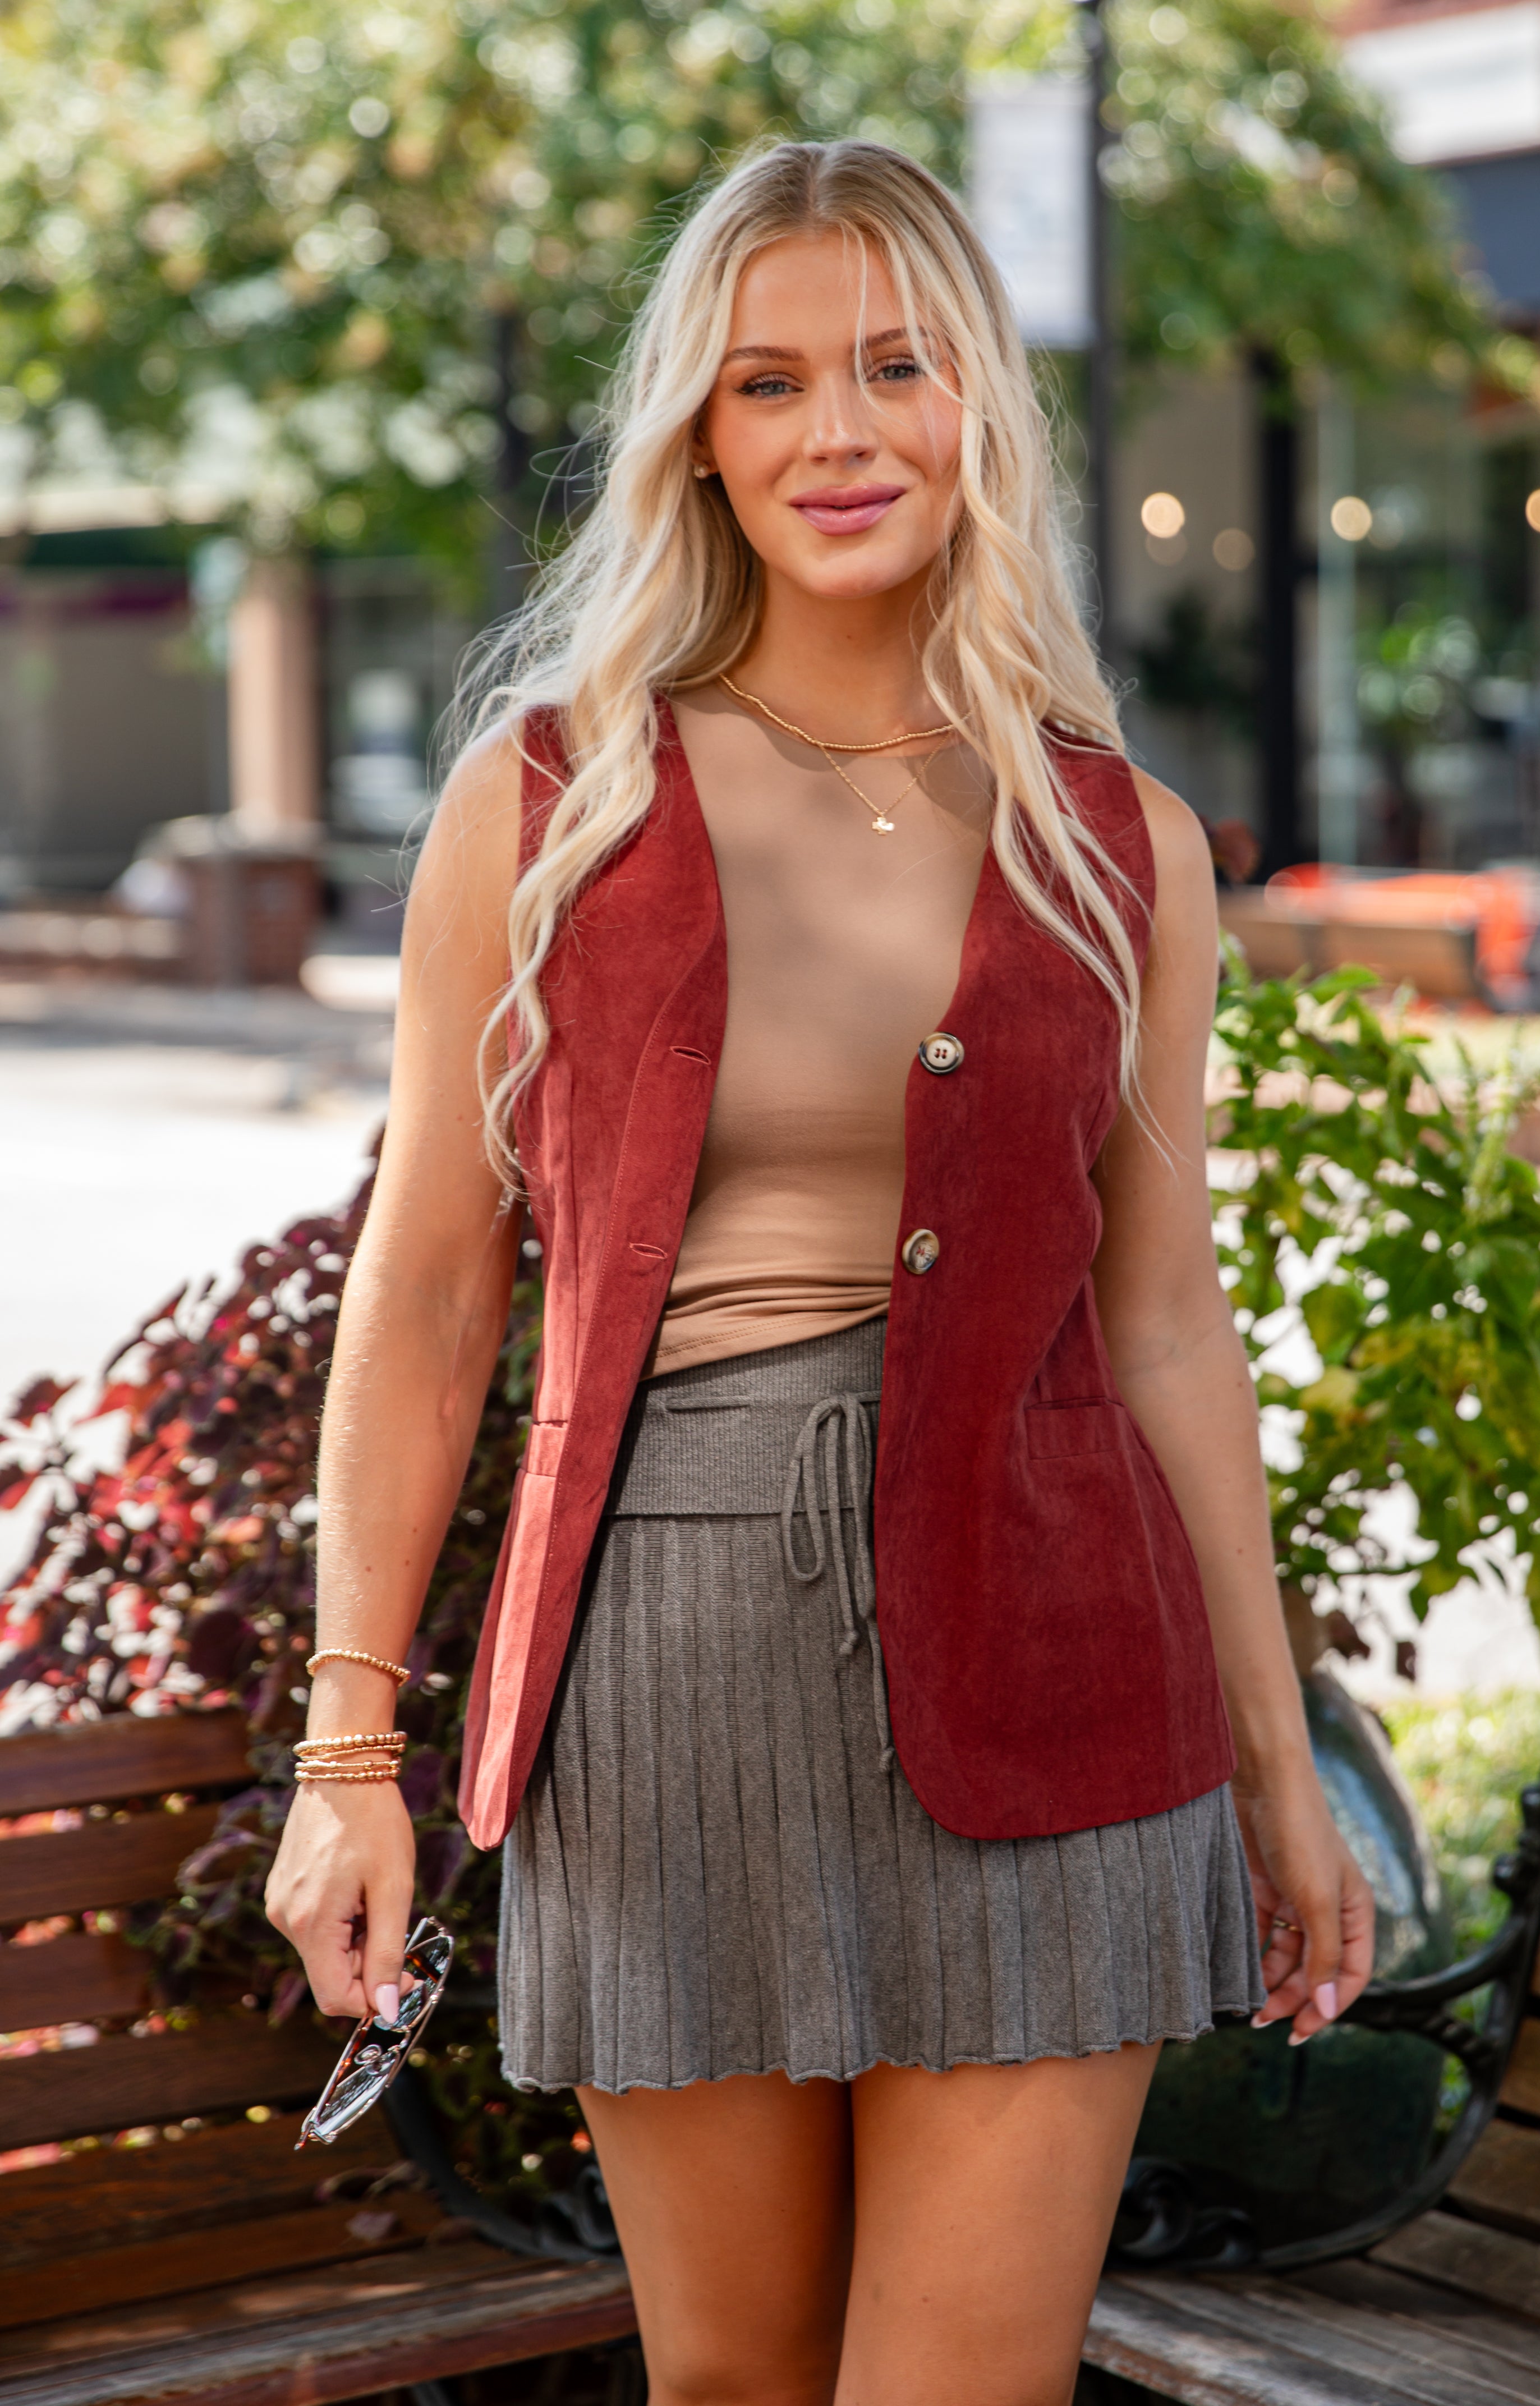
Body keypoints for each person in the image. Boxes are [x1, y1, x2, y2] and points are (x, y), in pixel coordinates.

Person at [266, 139, 1373, 2406]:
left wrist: (1280, 1767)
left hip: (1059, 1659)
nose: (838, 433)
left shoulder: (1121, 842)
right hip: (662, 1674)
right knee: (732, 2385)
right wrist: (346, 1743)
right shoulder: (546, 801)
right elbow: (434, 1286)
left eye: (895, 367)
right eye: (768, 382)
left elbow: (1164, 1318)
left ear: (980, 406)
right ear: (696, 433)